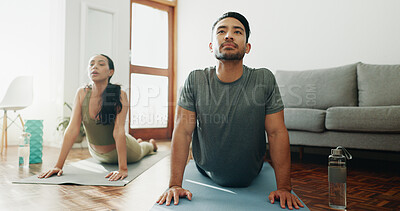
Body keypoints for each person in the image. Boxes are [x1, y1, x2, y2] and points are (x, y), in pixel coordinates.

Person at [157, 12, 304, 209]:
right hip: (205, 169)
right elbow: (183, 132)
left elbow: (277, 132)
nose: (228, 36)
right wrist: (175, 184)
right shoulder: (195, 80)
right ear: (211, 46)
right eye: (221, 31)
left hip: (250, 172)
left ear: (248, 47)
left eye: (237, 31)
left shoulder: (264, 79)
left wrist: (284, 187)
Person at [38, 54, 157, 181]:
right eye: (91, 64)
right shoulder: (82, 93)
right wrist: (58, 166)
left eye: (101, 64)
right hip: (96, 154)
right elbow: (72, 129)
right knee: (133, 143)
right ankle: (138, 141)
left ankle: (150, 145)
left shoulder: (120, 94)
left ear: (110, 72)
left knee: (141, 150)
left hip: (123, 151)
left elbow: (118, 131)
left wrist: (123, 169)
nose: (95, 66)